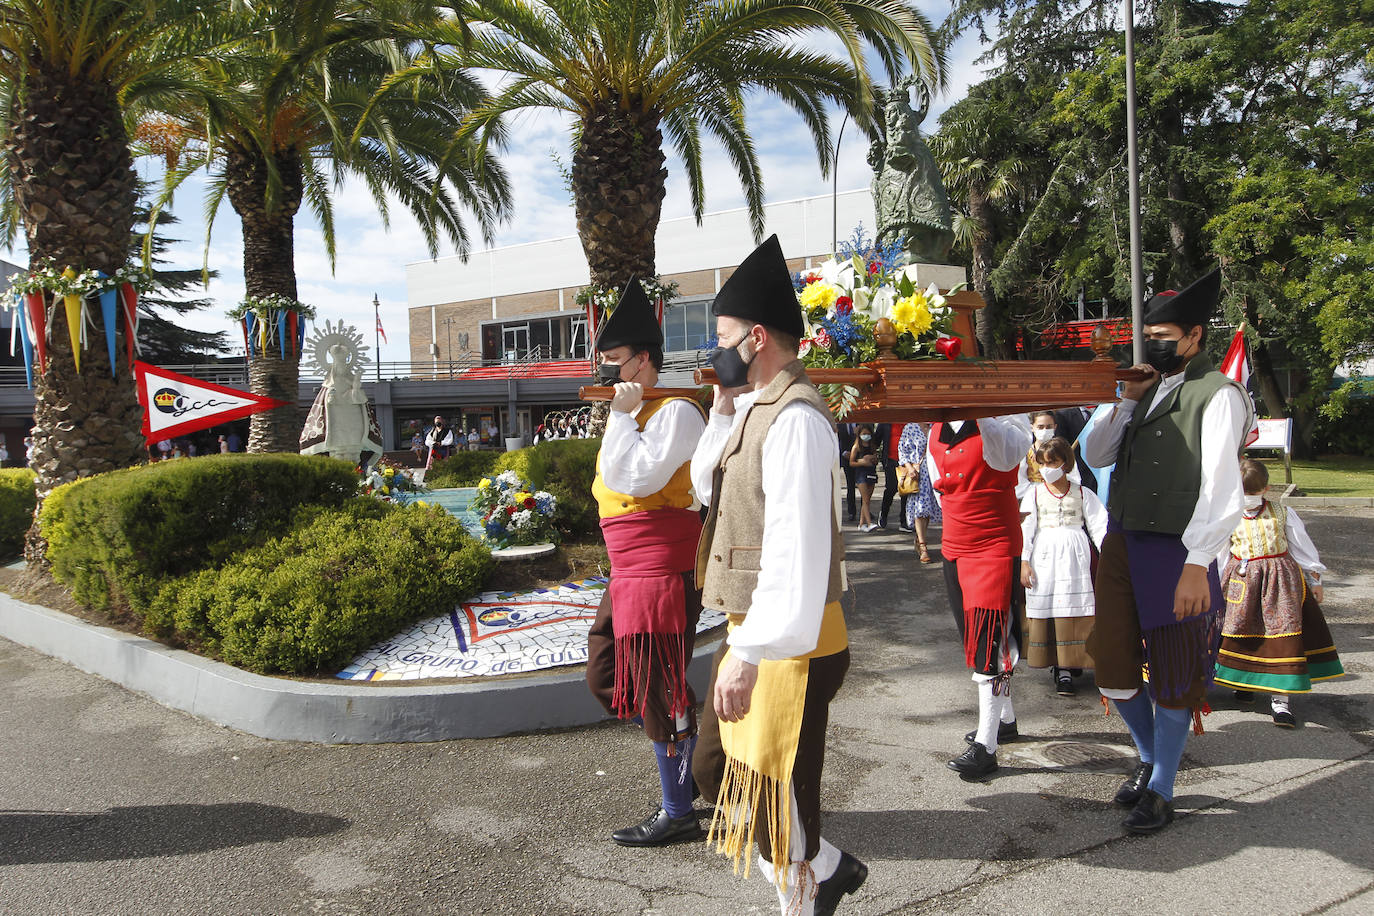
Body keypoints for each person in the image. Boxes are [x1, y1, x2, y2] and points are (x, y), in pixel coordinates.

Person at [691, 234, 865, 916]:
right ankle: (829, 870)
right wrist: (724, 404)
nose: (716, 349)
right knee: (717, 773)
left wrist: (750, 652)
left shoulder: (796, 419)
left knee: (775, 794)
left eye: (725, 336)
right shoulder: (755, 408)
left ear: (757, 336)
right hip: (758, 631)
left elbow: (795, 553)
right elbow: (705, 485)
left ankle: (806, 893)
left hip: (791, 641)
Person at [1081, 266, 1253, 835]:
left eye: (1164, 337)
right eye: (1147, 336)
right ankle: (1153, 754)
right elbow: (1098, 455)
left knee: (1177, 671)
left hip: (1179, 551)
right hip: (1124, 542)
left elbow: (1222, 490)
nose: (1152, 346)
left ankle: (1161, 787)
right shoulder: (1145, 389)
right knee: (1110, 661)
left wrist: (1198, 563)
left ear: (1195, 336)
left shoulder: (1218, 394)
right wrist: (1126, 401)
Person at [584, 278, 709, 848]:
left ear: (644, 360)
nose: (608, 373)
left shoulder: (677, 412)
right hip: (627, 570)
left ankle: (678, 805)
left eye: (616, 362)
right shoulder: (633, 412)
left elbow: (634, 478)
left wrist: (619, 417)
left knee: (660, 688)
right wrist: (622, 416)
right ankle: (695, 753)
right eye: (604, 363)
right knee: (607, 674)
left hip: (660, 568)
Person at [927, 410, 1032, 778]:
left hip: (994, 542)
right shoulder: (936, 425)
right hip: (955, 542)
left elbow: (1009, 454)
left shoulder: (1008, 417)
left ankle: (986, 746)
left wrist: (982, 408)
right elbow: (939, 482)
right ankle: (1006, 720)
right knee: (973, 638)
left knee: (991, 642)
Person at [1214, 458, 1344, 726]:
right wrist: (1216, 586)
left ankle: (1280, 700)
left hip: (1280, 583)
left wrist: (1315, 579)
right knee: (1239, 631)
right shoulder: (1228, 514)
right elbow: (1221, 554)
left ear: (1267, 488)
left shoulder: (1282, 512)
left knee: (1281, 633)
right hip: (1241, 583)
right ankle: (1243, 683)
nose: (1248, 498)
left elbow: (1301, 546)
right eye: (1243, 493)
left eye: (1252, 492)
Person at [1019, 436, 1108, 696]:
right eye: (1043, 463)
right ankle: (1061, 668)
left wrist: (1109, 558)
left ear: (1065, 463)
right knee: (1052, 607)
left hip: (1076, 558)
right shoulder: (1034, 493)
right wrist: (1025, 560)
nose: (1048, 468)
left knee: (1074, 608)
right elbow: (1026, 529)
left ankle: (1076, 660)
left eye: (1053, 462)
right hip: (1045, 557)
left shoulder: (1082, 492)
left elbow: (1100, 527)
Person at [897, 422, 941, 563]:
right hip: (918, 473)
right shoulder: (911, 427)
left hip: (934, 473)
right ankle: (923, 547)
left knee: (927, 511)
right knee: (920, 509)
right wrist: (909, 467)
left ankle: (919, 538)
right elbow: (902, 450)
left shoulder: (936, 425)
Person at [1017, 411, 1080, 499]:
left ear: (1055, 427)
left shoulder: (1063, 451)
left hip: (1061, 495)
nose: (1045, 430)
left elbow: (1075, 477)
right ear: (1032, 427)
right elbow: (1020, 483)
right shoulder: (1025, 452)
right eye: (1040, 427)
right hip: (1033, 496)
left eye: (1049, 427)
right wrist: (1040, 492)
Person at [1053, 404, 1101, 492]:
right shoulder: (1064, 414)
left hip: (1102, 469)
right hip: (1079, 470)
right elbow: (1061, 445)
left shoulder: (1104, 411)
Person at [848, 424, 880, 532]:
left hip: (871, 473)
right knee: (865, 499)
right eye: (864, 434)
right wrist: (862, 462)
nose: (866, 436)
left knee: (867, 500)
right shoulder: (856, 447)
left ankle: (861, 524)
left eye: (868, 434)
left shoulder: (872, 446)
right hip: (861, 474)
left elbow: (876, 459)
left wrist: (872, 458)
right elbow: (851, 462)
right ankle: (869, 523)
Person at [877, 423, 906, 530]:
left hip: (906, 462)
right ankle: (884, 514)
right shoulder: (886, 423)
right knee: (891, 488)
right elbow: (876, 440)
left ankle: (904, 521)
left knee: (905, 491)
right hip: (890, 461)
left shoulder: (909, 422)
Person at [837, 423, 858, 522]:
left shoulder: (861, 422)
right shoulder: (840, 424)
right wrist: (843, 453)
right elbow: (837, 441)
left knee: (865, 484)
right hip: (846, 458)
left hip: (860, 458)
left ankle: (865, 510)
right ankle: (851, 511)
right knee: (851, 485)